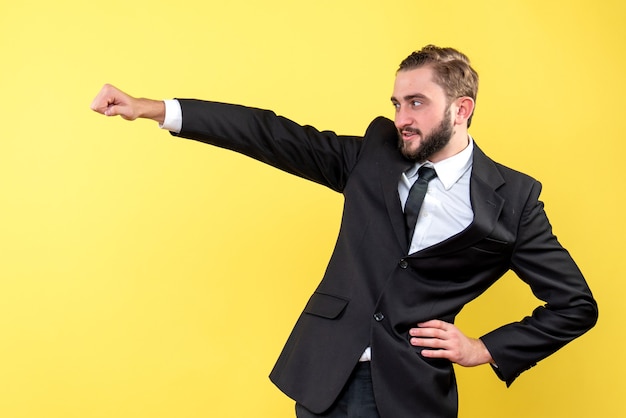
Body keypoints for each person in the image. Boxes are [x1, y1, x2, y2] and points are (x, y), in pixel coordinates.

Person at [90, 45, 598, 418]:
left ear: (461, 109)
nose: (401, 117)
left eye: (416, 103)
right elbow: (272, 134)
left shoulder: (515, 199)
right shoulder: (372, 156)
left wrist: (483, 348)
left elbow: (576, 304)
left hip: (410, 392)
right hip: (326, 374)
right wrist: (156, 109)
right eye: (397, 103)